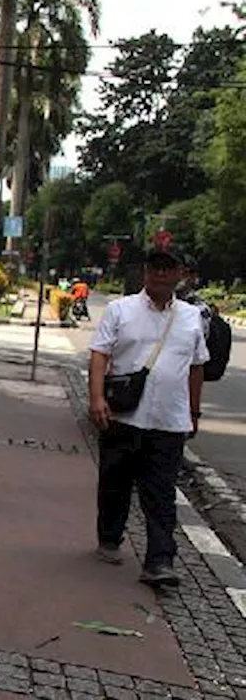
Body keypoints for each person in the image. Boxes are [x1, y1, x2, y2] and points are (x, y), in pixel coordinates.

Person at [89, 247, 209, 588]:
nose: (160, 274)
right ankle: (109, 537)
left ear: (179, 275)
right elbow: (100, 354)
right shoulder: (120, 310)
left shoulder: (190, 317)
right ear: (145, 272)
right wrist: (96, 398)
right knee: (115, 483)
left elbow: (197, 365)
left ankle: (160, 560)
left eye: (167, 269)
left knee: (160, 492)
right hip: (122, 416)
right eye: (154, 268)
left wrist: (194, 411)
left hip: (168, 420)